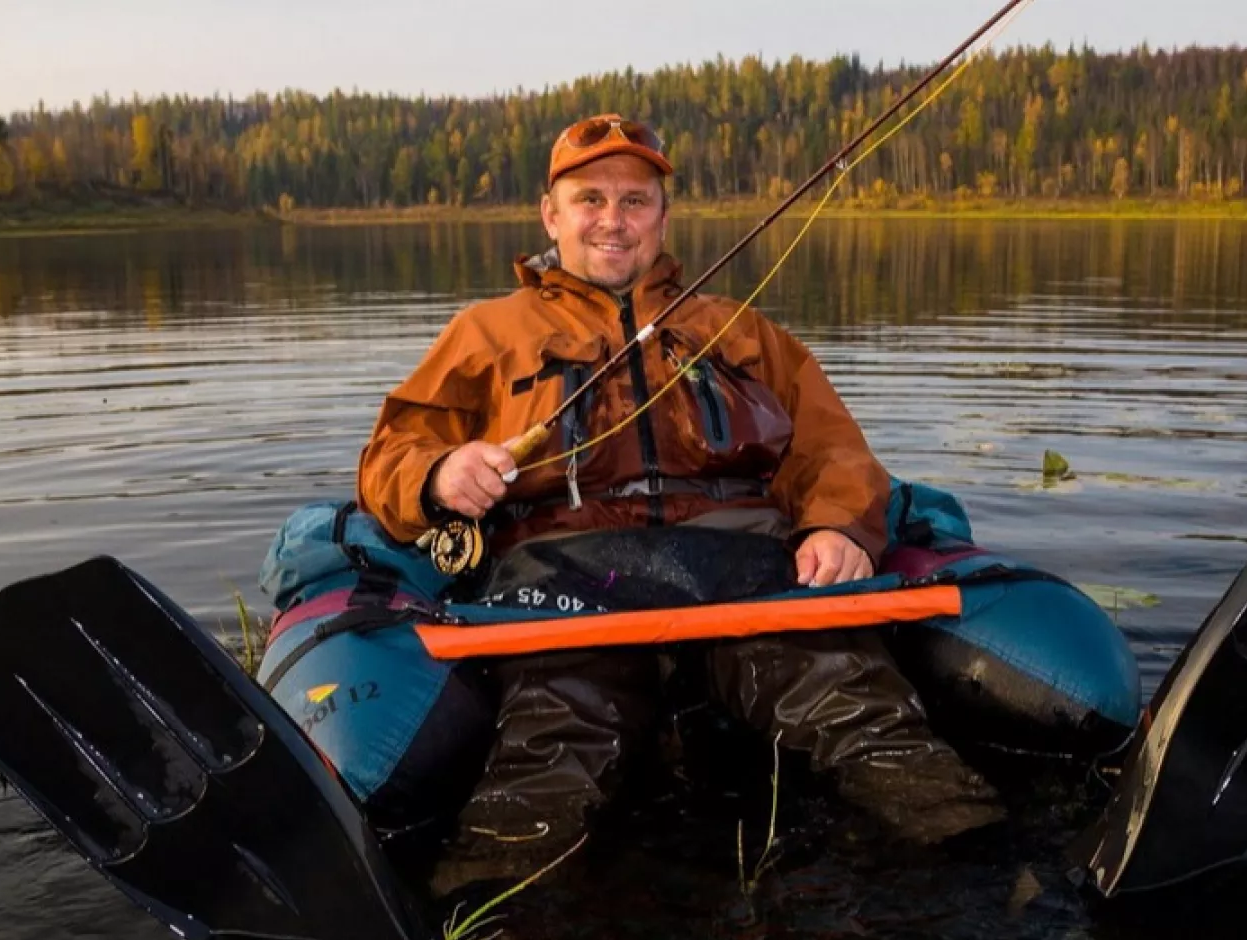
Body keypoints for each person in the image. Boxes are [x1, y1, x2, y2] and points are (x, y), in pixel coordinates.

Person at [358, 113, 1003, 887]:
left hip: (746, 569)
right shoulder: (483, 333)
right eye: (590, 198)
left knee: (863, 714)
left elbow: (832, 450)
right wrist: (439, 475)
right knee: (553, 754)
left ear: (664, 217)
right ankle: (489, 927)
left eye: (635, 201)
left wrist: (838, 528)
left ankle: (990, 881)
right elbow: (391, 458)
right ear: (550, 214)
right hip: (568, 581)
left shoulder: (741, 328)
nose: (612, 221)